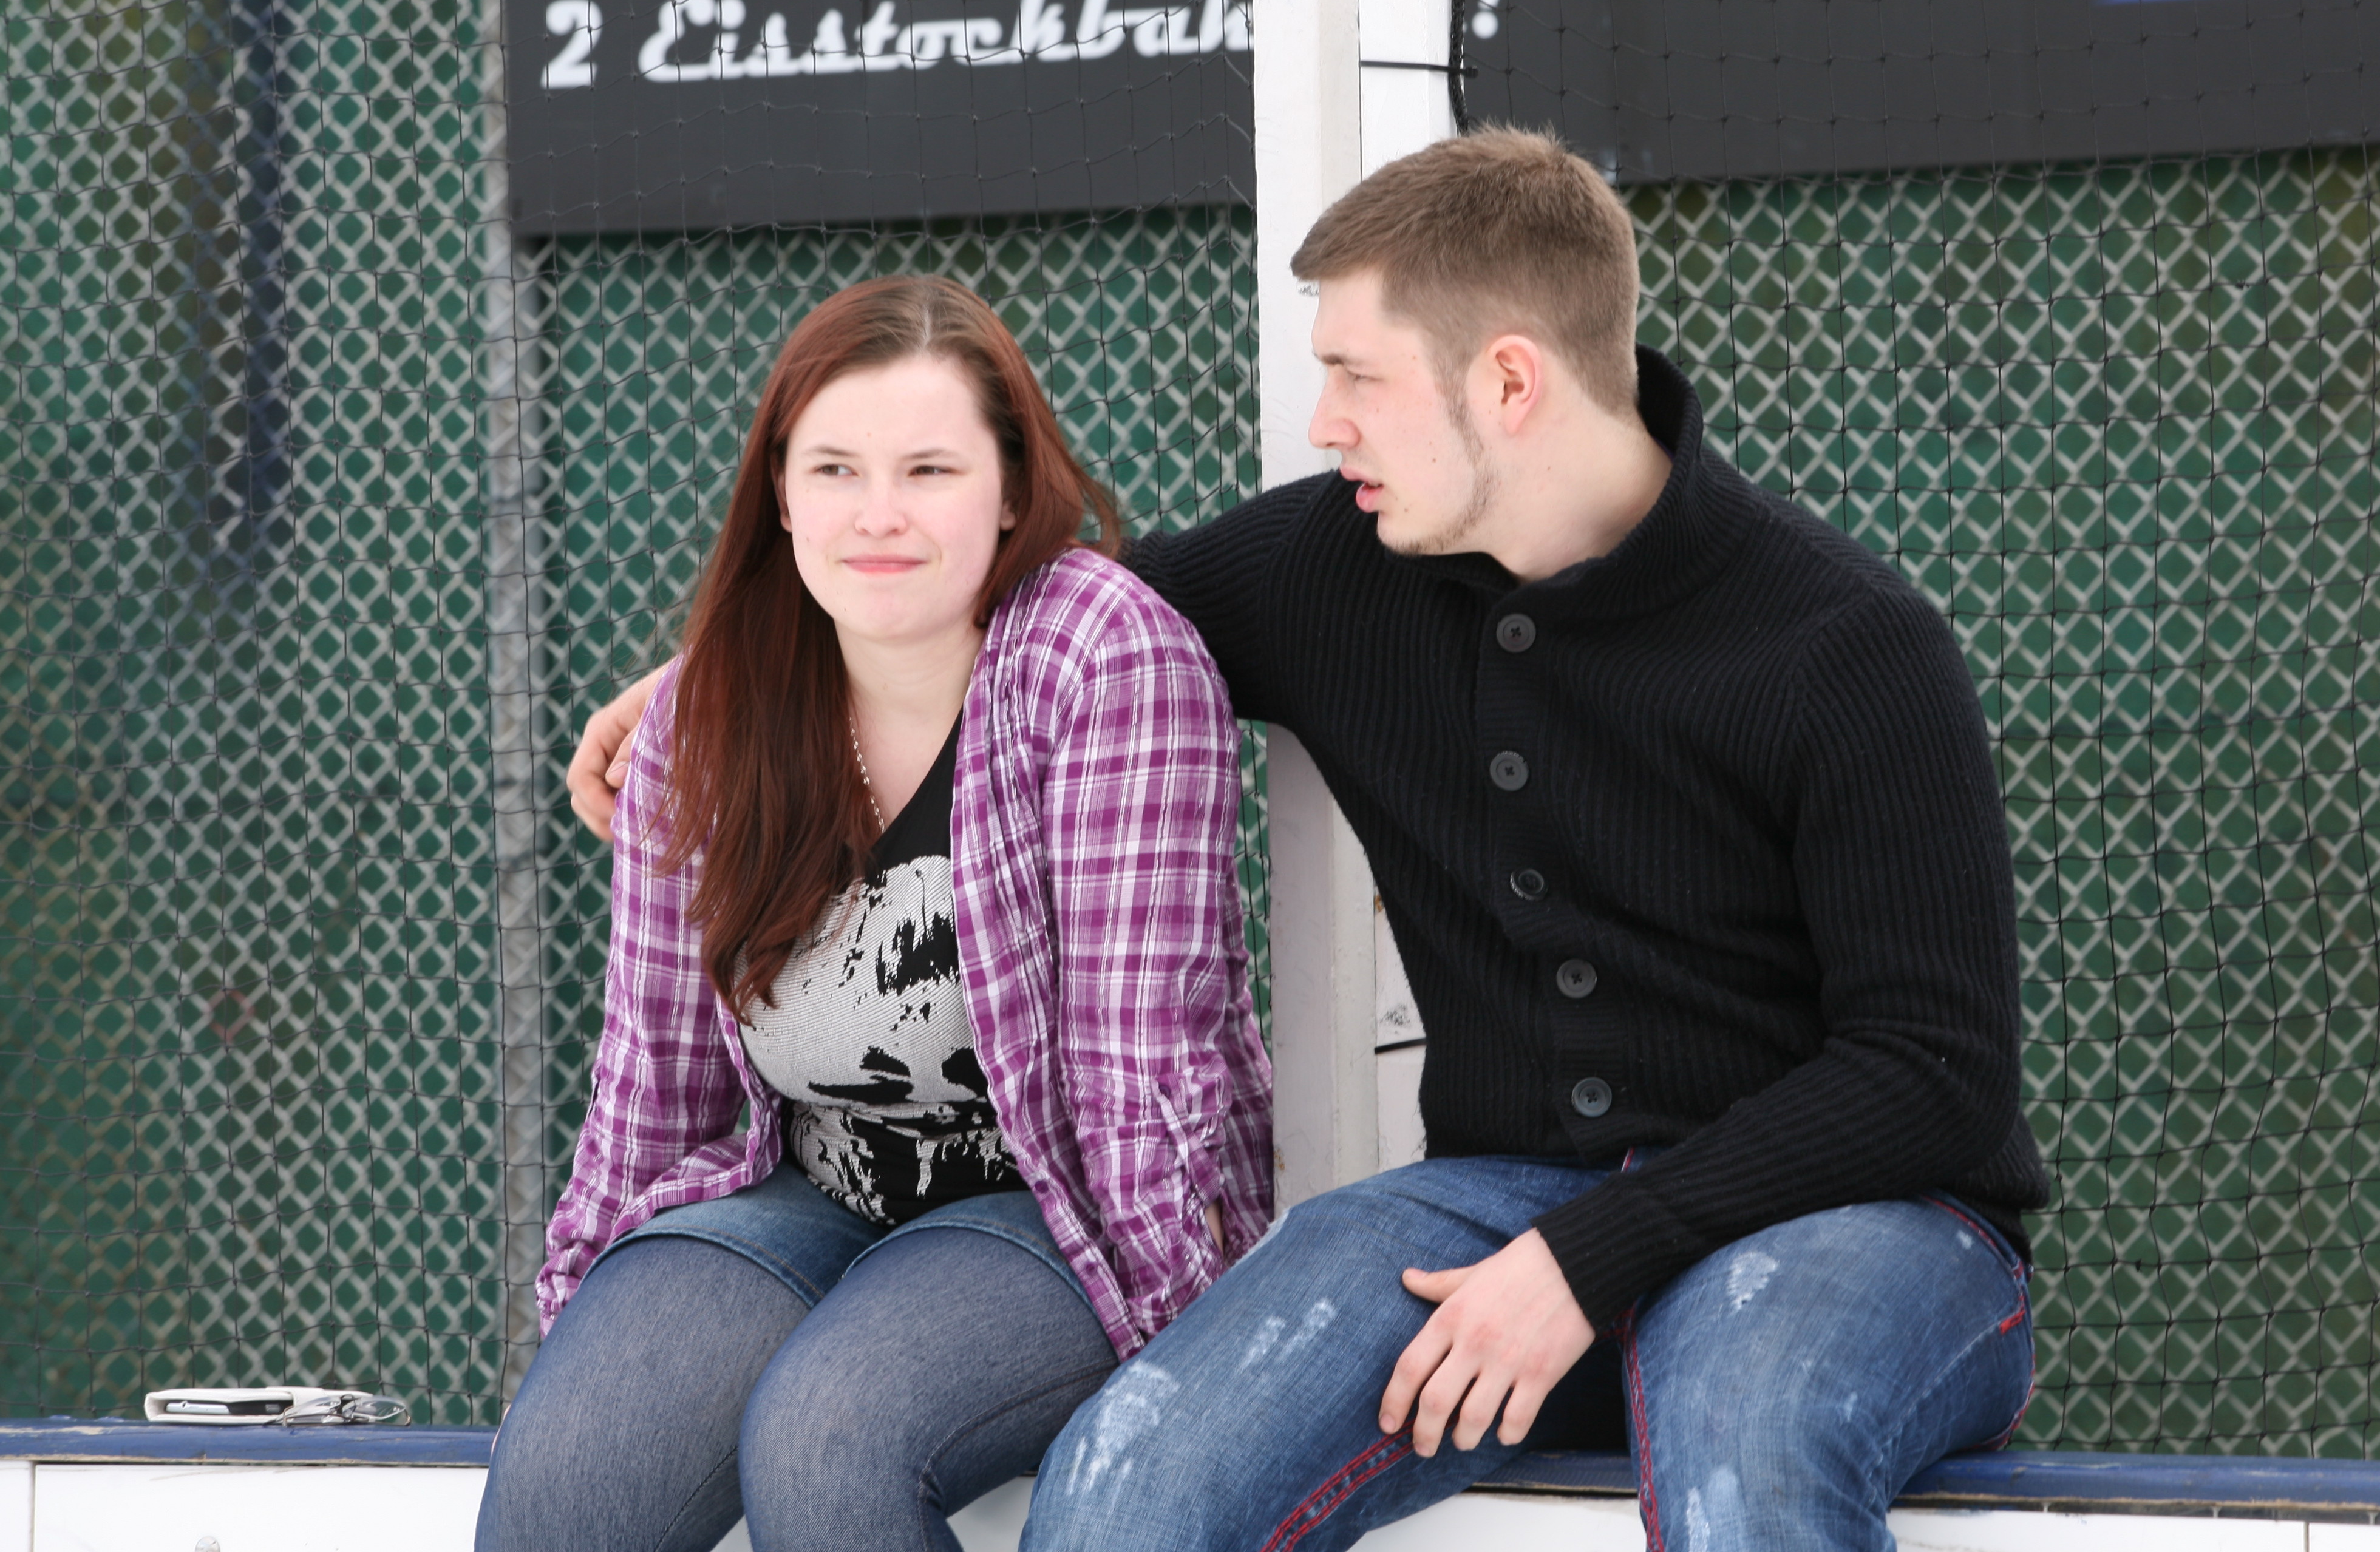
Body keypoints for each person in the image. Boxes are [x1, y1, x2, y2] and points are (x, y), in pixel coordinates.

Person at [566, 130, 2047, 1552]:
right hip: (1497, 1203)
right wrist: (731, 678)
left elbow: (1933, 1070)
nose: (1326, 420)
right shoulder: (1338, 566)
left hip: (1861, 1219)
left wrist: (1592, 1259)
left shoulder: (1847, 644)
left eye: (1356, 376)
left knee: (1751, 1447)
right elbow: (1014, 625)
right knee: (1135, 1480)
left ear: (1509, 381)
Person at [481, 275, 1271, 1552]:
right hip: (811, 1185)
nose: (879, 514)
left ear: (1010, 491)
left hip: (1058, 1212)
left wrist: (1174, 1339)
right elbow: (653, 1073)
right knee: (572, 1474)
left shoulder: (1104, 658)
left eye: (930, 470)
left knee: (829, 1434)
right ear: (781, 493)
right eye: (836, 470)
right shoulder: (707, 712)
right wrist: (585, 1323)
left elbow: (1143, 1069)